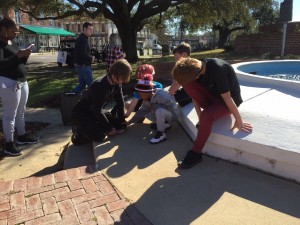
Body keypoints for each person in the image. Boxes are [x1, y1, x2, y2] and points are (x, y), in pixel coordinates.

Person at [172, 57, 253, 169]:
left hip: (227, 101)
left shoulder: (218, 70)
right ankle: (206, 115)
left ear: (195, 75)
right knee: (188, 85)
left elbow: (228, 99)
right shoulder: (196, 65)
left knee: (207, 115)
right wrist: (200, 118)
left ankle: (196, 153)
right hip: (212, 97)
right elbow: (194, 96)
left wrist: (239, 121)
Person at [0, 18, 38, 156]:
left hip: (21, 81)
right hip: (8, 82)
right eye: (13, 31)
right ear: (4, 29)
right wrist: (17, 56)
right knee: (10, 114)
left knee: (21, 111)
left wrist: (25, 55)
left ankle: (21, 137)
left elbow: (18, 61)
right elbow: (2, 64)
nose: (16, 33)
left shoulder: (11, 42)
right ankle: (9, 144)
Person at [71, 59, 132, 145]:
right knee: (100, 135)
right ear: (115, 73)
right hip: (82, 113)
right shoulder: (99, 85)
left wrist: (122, 120)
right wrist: (109, 129)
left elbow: (120, 103)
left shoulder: (117, 83)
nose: (122, 81)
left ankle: (96, 126)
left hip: (95, 110)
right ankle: (78, 131)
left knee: (120, 125)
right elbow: (97, 110)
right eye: (122, 78)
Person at [127, 76, 179, 144]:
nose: (139, 95)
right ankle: (165, 125)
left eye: (140, 93)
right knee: (145, 112)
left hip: (173, 115)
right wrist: (129, 122)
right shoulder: (146, 99)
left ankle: (161, 134)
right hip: (164, 114)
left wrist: (160, 108)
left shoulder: (160, 95)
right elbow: (141, 112)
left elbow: (174, 106)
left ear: (146, 92)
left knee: (159, 110)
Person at [168, 42, 192, 107]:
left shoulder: (188, 66)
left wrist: (168, 95)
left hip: (191, 93)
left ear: (184, 55)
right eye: (175, 57)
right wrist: (169, 92)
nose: (175, 59)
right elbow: (175, 81)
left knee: (169, 101)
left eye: (177, 57)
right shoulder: (180, 66)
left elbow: (179, 83)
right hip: (185, 90)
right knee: (169, 96)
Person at [72, 22, 94, 93]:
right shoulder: (83, 39)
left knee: (82, 85)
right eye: (89, 29)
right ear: (84, 29)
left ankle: (69, 95)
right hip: (84, 66)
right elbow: (83, 53)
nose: (91, 31)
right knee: (92, 86)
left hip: (80, 66)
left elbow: (77, 53)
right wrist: (91, 58)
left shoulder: (80, 38)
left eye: (92, 29)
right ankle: (96, 103)